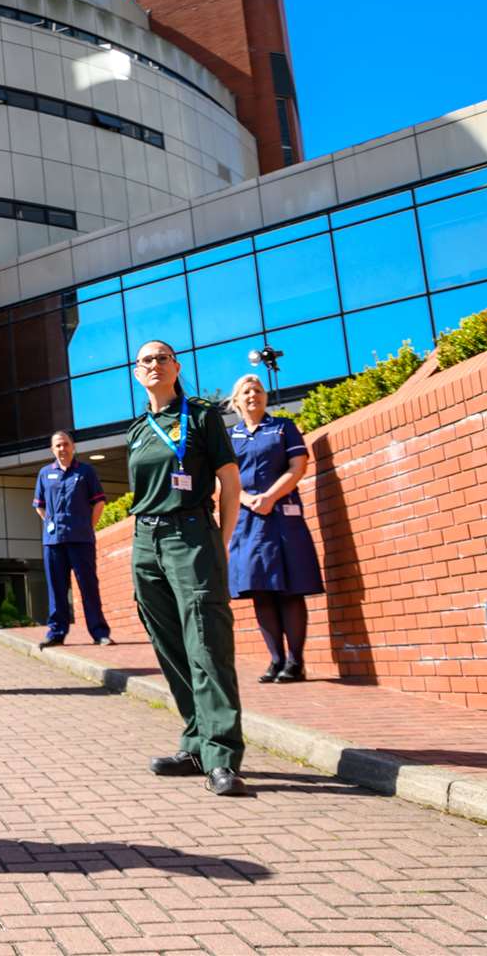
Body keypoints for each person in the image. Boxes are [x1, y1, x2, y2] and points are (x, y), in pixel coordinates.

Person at [127, 339, 247, 796]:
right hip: (146, 540)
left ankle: (222, 756)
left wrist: (222, 540)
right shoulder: (137, 431)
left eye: (161, 358)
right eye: (145, 361)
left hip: (191, 535)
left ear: (175, 367)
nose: (154, 365)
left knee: (206, 644)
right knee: (170, 646)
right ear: (137, 374)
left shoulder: (200, 417)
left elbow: (229, 482)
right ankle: (196, 743)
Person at [227, 374, 323, 684]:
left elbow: (298, 467)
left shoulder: (284, 428)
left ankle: (296, 662)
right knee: (262, 592)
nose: (253, 395)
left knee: (291, 590)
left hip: (282, 517)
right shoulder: (230, 437)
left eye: (258, 390)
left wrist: (270, 497)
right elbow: (225, 480)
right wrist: (246, 499)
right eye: (246, 391)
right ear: (236, 401)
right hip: (248, 522)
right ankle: (276, 659)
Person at [33, 430, 111, 648]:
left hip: (81, 539)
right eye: (57, 445)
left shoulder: (86, 472)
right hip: (53, 541)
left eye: (65, 444)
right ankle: (56, 633)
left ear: (73, 447)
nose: (62, 449)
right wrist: (50, 522)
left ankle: (99, 632)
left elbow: (99, 502)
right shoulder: (44, 473)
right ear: (52, 449)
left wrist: (88, 525)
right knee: (56, 588)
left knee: (88, 586)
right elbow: (39, 505)